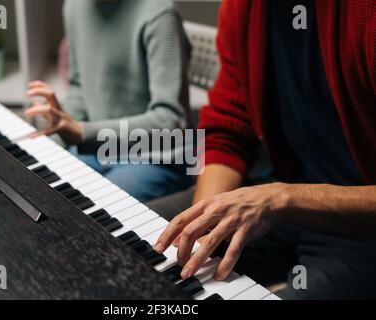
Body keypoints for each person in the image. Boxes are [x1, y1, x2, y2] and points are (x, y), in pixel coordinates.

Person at [149, 0, 376, 299]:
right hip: (276, 196)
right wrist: (205, 226)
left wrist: (282, 199)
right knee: (120, 247)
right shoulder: (241, 8)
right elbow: (228, 130)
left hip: (361, 228)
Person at [24, 0, 192, 202]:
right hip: (99, 147)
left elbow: (172, 120)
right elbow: (79, 87)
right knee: (41, 189)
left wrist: (81, 132)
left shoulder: (161, 13)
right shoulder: (74, 6)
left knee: (86, 208)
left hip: (162, 155)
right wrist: (54, 137)